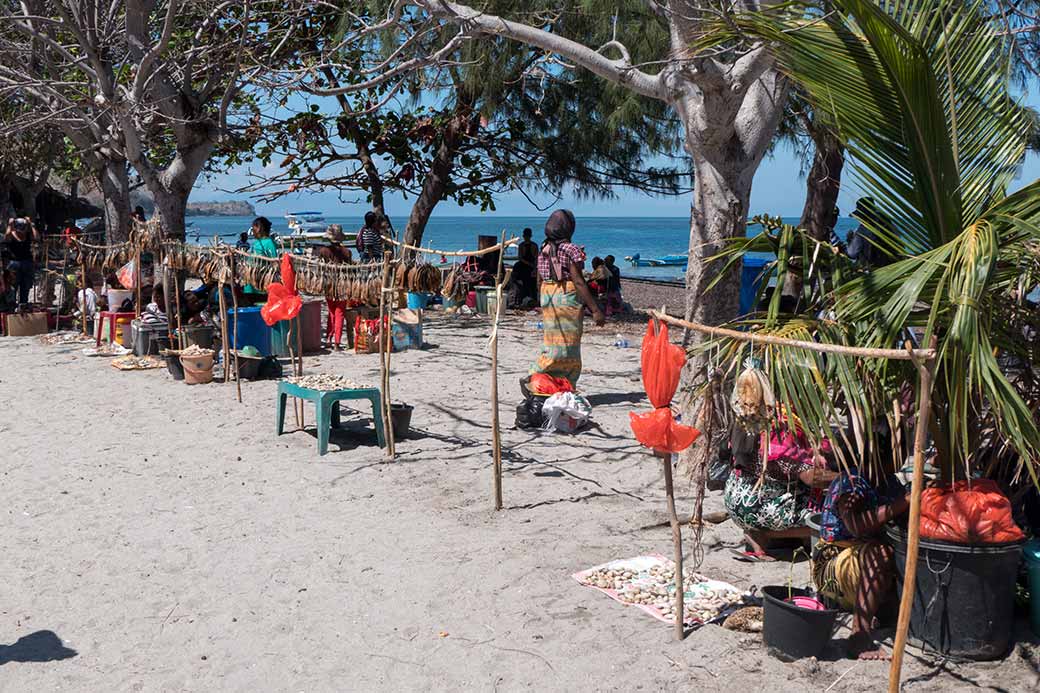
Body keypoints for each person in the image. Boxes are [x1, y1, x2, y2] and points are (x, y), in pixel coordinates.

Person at [812, 461, 909, 660]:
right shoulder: (851, 482)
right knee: (880, 553)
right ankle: (860, 634)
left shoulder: (890, 482)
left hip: (864, 570)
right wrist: (906, 502)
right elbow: (855, 525)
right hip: (835, 565)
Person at [725, 414, 837, 561]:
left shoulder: (747, 417)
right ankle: (762, 534)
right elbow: (811, 477)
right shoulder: (780, 429)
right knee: (830, 516)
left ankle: (766, 534)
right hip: (757, 506)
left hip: (735, 498)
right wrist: (848, 477)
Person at [531, 209, 605, 386]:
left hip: (547, 296)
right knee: (568, 344)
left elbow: (539, 278)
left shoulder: (544, 248)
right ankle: (563, 381)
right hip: (566, 297)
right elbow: (578, 281)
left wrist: (542, 300)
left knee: (552, 340)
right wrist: (595, 310)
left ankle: (545, 379)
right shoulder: (571, 249)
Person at [318, 224, 353, 349]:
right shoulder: (347, 252)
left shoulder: (323, 251)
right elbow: (350, 271)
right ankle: (337, 342)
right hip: (342, 285)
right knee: (339, 313)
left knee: (332, 312)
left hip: (328, 285)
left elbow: (319, 268)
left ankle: (329, 338)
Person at [847, 197, 897, 268]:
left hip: (873, 269)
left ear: (863, 215)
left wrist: (849, 240)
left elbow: (852, 253)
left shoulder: (863, 229)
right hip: (893, 265)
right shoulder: (888, 223)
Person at [4, 217, 39, 307]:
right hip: (14, 263)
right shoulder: (11, 234)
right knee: (12, 288)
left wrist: (31, 224)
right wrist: (10, 225)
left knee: (25, 287)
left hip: (26, 263)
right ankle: (11, 307)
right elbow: (6, 238)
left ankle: (23, 306)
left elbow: (36, 237)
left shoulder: (27, 235)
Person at [243, 216, 278, 304]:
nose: (252, 230)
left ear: (259, 228)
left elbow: (274, 262)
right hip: (250, 280)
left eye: (253, 227)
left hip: (260, 280)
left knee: (257, 301)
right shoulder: (257, 242)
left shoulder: (269, 243)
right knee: (248, 299)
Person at [508, 227, 539, 308]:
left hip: (531, 267)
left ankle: (533, 301)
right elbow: (520, 258)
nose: (526, 237)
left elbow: (536, 258)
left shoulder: (534, 246)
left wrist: (534, 267)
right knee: (519, 283)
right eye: (526, 236)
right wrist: (530, 264)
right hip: (523, 266)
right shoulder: (522, 245)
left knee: (532, 285)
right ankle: (518, 300)